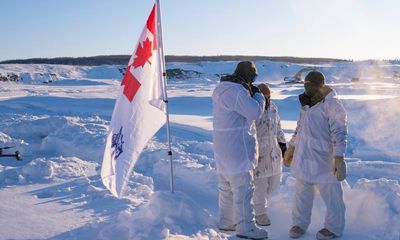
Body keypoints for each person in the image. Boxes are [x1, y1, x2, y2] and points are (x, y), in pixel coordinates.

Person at [283, 71, 348, 240]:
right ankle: (299, 224)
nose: (305, 87)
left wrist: (339, 157)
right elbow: (300, 127)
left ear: (318, 84)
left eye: (308, 84)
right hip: (304, 157)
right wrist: (291, 147)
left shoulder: (332, 104)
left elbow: (339, 132)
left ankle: (334, 228)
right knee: (301, 196)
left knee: (332, 196)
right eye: (304, 84)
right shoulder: (306, 103)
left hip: (324, 160)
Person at [213, 61, 268, 239]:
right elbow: (254, 113)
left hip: (223, 149)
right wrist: (259, 96)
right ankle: (246, 228)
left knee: (226, 188)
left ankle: (227, 221)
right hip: (238, 149)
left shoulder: (221, 89)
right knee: (243, 190)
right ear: (248, 76)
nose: (253, 81)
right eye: (253, 77)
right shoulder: (237, 92)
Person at [252, 83, 286, 226]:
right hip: (259, 153)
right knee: (260, 186)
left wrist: (283, 144)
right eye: (264, 96)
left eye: (269, 96)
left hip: (274, 153)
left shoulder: (273, 108)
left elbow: (278, 127)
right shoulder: (253, 109)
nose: (267, 99)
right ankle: (259, 213)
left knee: (274, 185)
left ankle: (259, 205)